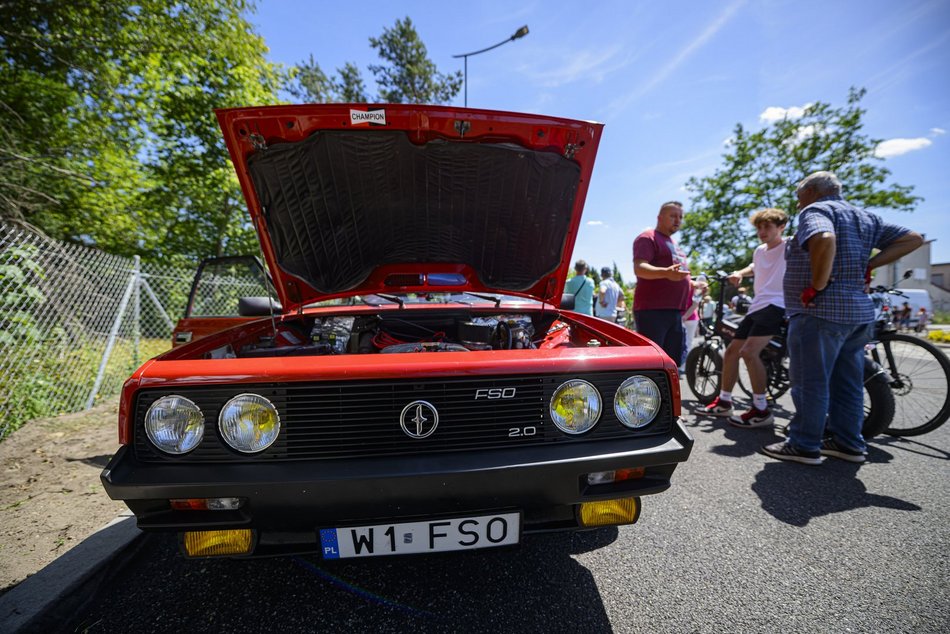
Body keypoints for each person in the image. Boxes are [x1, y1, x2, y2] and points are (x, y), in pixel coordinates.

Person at [760, 171, 922, 465]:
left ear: (811, 192)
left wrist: (817, 286)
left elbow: (824, 238)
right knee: (847, 382)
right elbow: (912, 239)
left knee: (811, 381)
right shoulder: (866, 217)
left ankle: (804, 444)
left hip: (819, 311)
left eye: (799, 197)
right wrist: (869, 264)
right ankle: (848, 443)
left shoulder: (816, 210)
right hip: (858, 314)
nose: (798, 205)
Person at [697, 208, 788, 428]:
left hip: (777, 305)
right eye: (759, 227)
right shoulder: (759, 250)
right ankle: (725, 401)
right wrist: (739, 272)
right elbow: (755, 266)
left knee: (748, 352)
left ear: (781, 227)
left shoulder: (790, 245)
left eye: (767, 226)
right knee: (731, 352)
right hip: (758, 306)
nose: (762, 231)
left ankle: (761, 409)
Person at [633, 201, 695, 365]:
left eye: (680, 217)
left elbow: (677, 274)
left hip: (675, 311)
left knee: (671, 363)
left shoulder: (673, 243)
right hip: (653, 311)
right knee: (653, 363)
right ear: (659, 218)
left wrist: (692, 284)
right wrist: (666, 273)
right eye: (673, 216)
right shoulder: (648, 237)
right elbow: (640, 268)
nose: (678, 220)